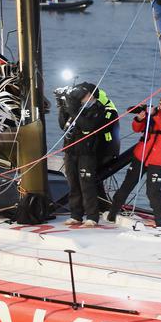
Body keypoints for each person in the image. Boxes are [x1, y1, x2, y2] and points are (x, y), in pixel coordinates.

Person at [107, 95, 161, 227]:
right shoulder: (154, 114)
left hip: (158, 161)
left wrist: (154, 115)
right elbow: (136, 128)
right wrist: (140, 118)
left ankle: (160, 221)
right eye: (160, 104)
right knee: (126, 185)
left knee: (152, 192)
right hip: (140, 156)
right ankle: (111, 214)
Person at [58, 84, 104, 227]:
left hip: (87, 152)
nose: (81, 98)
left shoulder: (98, 109)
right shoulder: (77, 107)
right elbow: (63, 125)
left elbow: (87, 126)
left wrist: (72, 110)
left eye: (84, 95)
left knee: (86, 184)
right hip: (70, 150)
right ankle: (76, 215)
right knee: (73, 183)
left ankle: (92, 217)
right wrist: (62, 108)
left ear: (91, 95)